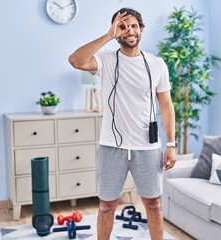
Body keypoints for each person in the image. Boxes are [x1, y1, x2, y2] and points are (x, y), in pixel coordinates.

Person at [68, 8, 176, 240]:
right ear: (117, 30)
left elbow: (166, 107)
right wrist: (108, 35)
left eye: (134, 26)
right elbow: (75, 60)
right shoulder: (105, 60)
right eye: (124, 26)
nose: (130, 31)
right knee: (107, 205)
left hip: (147, 147)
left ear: (142, 30)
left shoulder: (156, 65)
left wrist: (171, 144)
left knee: (154, 204)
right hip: (111, 146)